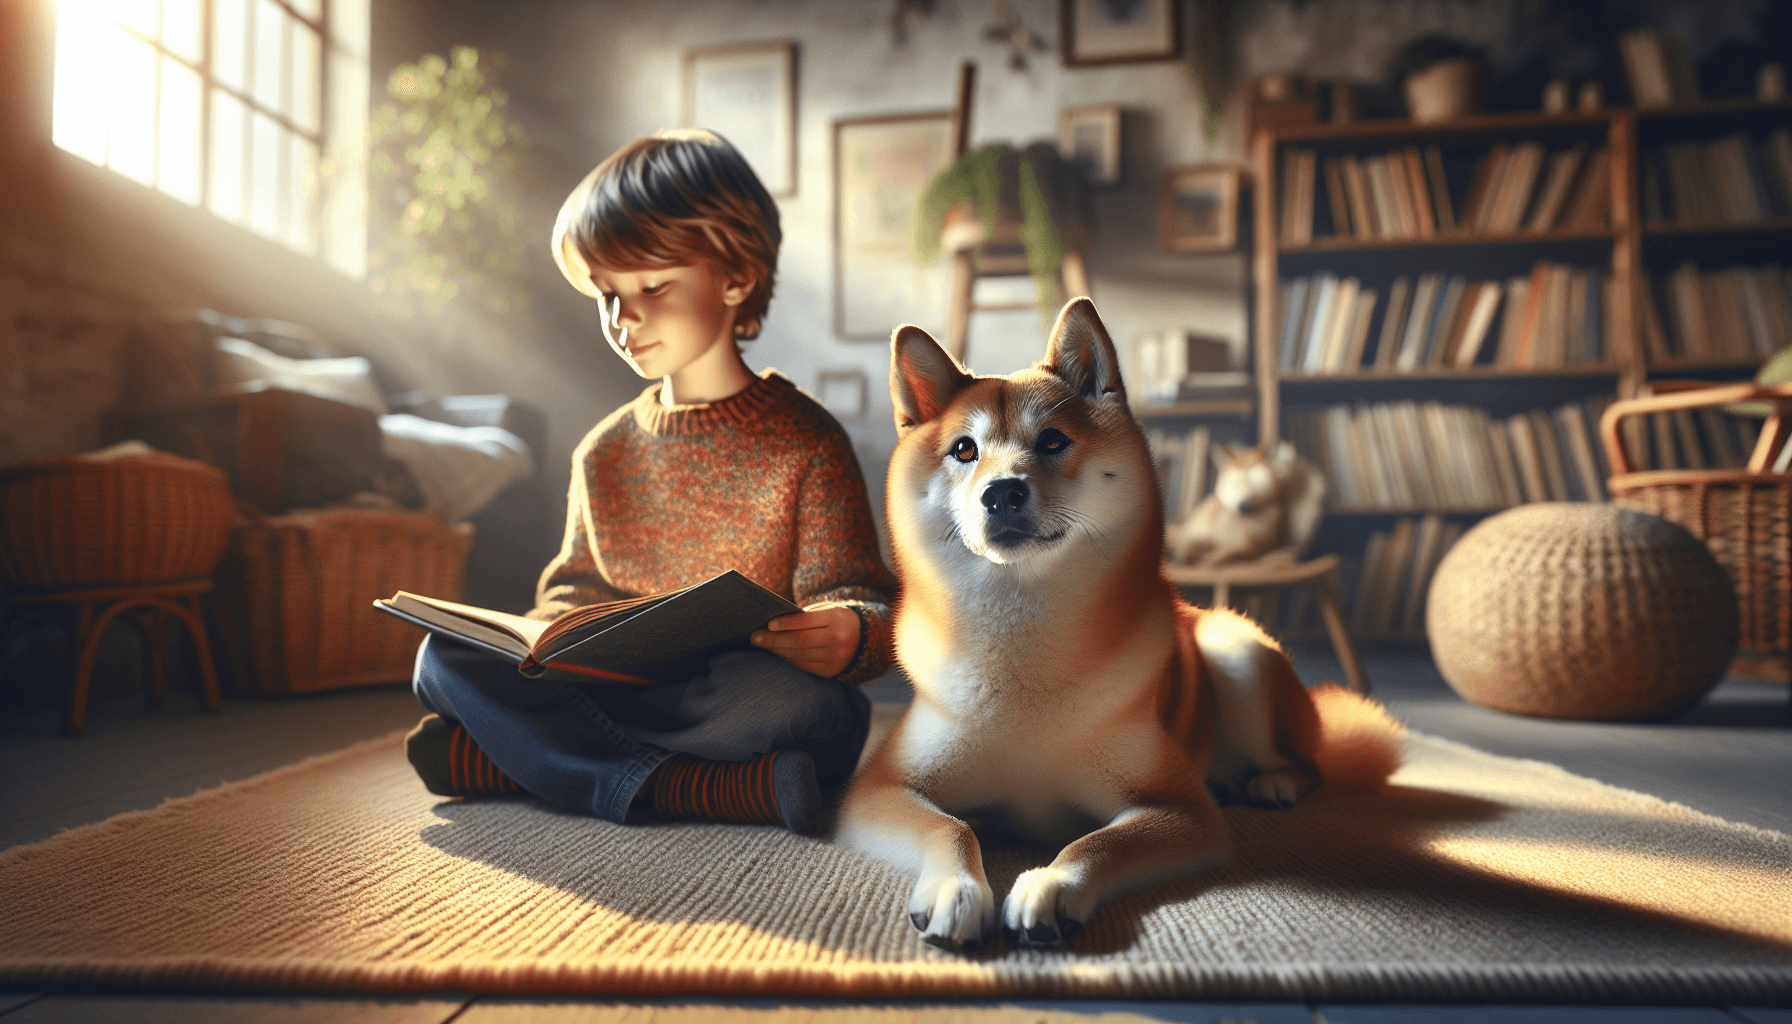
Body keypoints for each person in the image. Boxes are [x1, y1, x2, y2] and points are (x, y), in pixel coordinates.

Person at [403, 129, 896, 835]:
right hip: (622, 693)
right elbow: (574, 593)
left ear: (736, 277)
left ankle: (508, 762)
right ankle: (698, 789)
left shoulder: (806, 442)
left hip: (733, 695)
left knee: (804, 711)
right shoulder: (602, 452)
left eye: (651, 287)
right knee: (441, 659)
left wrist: (850, 632)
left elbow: (860, 595)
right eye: (606, 294)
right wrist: (541, 637)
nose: (622, 319)